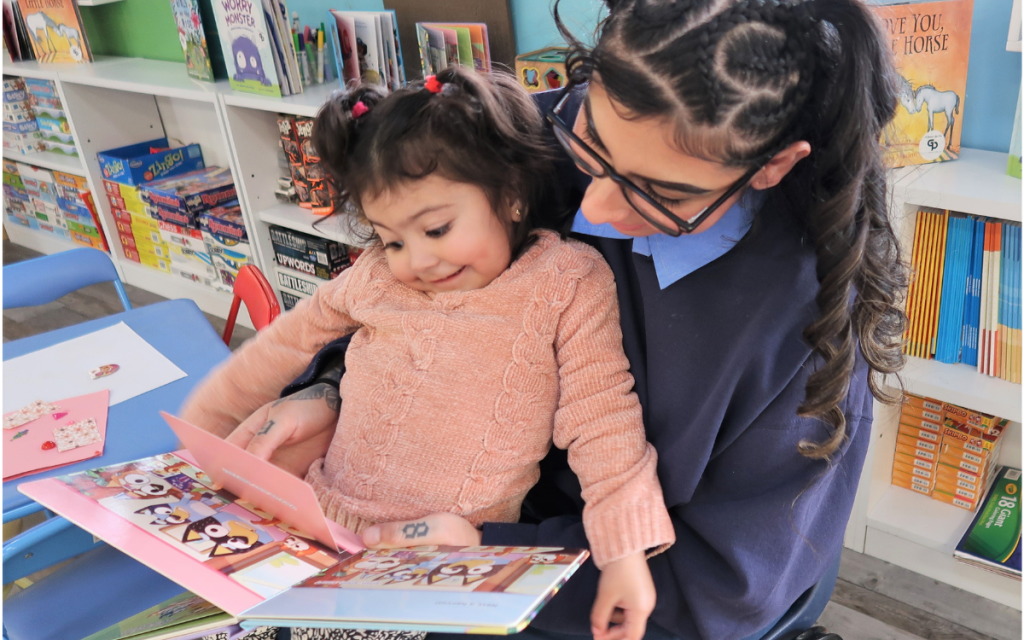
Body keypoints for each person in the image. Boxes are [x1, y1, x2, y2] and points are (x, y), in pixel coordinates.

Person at [220, 1, 909, 639]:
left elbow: (722, 592)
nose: (596, 209)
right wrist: (333, 390)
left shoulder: (804, 329)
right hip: (419, 519)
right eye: (593, 145)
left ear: (772, 166)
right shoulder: (520, 145)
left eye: (663, 194)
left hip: (596, 594)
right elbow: (399, 288)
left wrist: (489, 558)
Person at [181, 66, 676, 640]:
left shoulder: (567, 282)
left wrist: (624, 554)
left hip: (442, 566)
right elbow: (280, 347)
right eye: (392, 239)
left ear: (511, 197)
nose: (415, 260)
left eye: (436, 229)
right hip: (315, 521)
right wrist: (198, 442)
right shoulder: (375, 278)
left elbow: (603, 417)